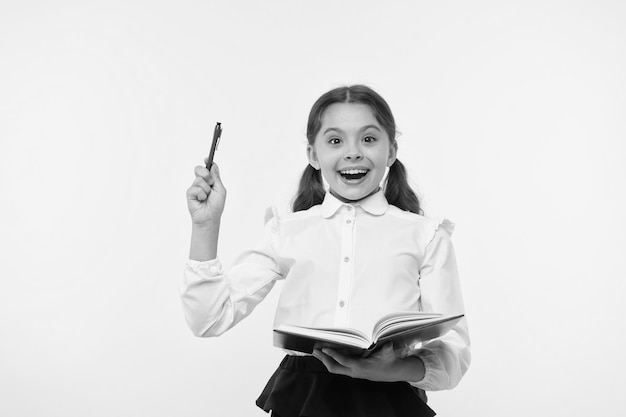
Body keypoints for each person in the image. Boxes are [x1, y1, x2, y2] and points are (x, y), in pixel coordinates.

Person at [181, 85, 471, 417]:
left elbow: (454, 355)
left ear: (391, 151)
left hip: (390, 401)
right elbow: (207, 319)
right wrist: (205, 225)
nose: (353, 153)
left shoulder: (426, 234)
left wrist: (389, 369)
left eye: (369, 138)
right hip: (304, 398)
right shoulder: (287, 231)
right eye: (335, 141)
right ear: (313, 155)